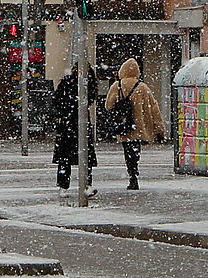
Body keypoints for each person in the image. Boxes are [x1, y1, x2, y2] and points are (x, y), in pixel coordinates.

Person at [99, 57, 165, 191]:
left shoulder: (116, 86)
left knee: (127, 149)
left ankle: (131, 173)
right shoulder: (142, 87)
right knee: (135, 148)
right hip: (138, 125)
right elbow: (154, 108)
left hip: (124, 125)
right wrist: (159, 128)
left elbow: (108, 105)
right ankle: (134, 170)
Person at [50, 65, 96, 191]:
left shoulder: (77, 83)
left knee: (78, 157)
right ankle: (66, 185)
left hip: (73, 122)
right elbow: (57, 100)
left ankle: (82, 185)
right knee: (71, 157)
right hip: (72, 123)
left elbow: (57, 100)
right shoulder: (70, 83)